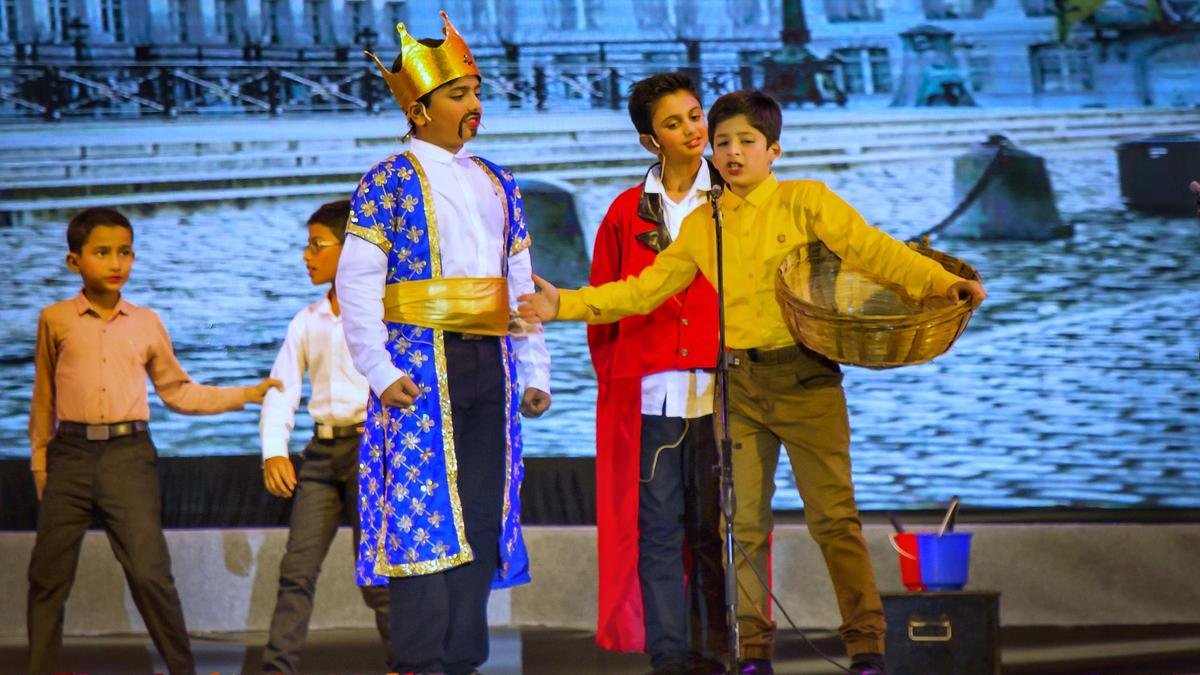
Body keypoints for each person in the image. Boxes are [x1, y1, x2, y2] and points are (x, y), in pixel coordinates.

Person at [518, 90, 987, 675]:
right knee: (741, 525)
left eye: (746, 142)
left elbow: (874, 251)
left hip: (806, 378)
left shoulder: (805, 201)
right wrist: (563, 303)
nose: (733, 153)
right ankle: (753, 652)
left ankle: (866, 645)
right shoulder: (702, 225)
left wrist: (940, 282)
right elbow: (641, 292)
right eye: (723, 143)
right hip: (739, 385)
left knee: (834, 518)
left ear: (773, 150)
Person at [336, 12, 551, 675]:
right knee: (422, 511)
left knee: (481, 510)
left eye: (476, 92)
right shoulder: (388, 180)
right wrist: (378, 369)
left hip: (490, 362)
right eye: (459, 94)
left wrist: (534, 368)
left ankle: (463, 656)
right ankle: (421, 658)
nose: (474, 105)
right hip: (420, 365)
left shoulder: (497, 180)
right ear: (419, 109)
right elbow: (358, 283)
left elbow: (520, 280)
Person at [27, 207, 281, 675]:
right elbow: (44, 397)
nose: (115, 263)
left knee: (149, 573)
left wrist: (245, 395)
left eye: (124, 252)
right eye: (102, 252)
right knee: (48, 576)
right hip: (71, 456)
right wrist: (40, 462)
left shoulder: (145, 322)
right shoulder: (55, 320)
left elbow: (178, 392)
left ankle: (182, 669)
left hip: (127, 455)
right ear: (74, 261)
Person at [588, 72, 726, 674]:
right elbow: (602, 303)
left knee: (716, 530)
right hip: (651, 400)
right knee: (659, 531)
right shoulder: (626, 212)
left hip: (723, 395)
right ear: (651, 141)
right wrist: (619, 377)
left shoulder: (733, 200)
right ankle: (669, 653)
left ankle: (720, 648)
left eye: (696, 115)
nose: (693, 130)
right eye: (674, 123)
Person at [259, 199, 391, 674]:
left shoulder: (382, 313)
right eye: (307, 245)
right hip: (319, 455)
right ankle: (277, 669)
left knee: (377, 577)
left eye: (317, 245)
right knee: (296, 572)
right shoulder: (307, 319)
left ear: (349, 248)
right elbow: (282, 389)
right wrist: (274, 451)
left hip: (369, 451)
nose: (306, 255)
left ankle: (408, 664)